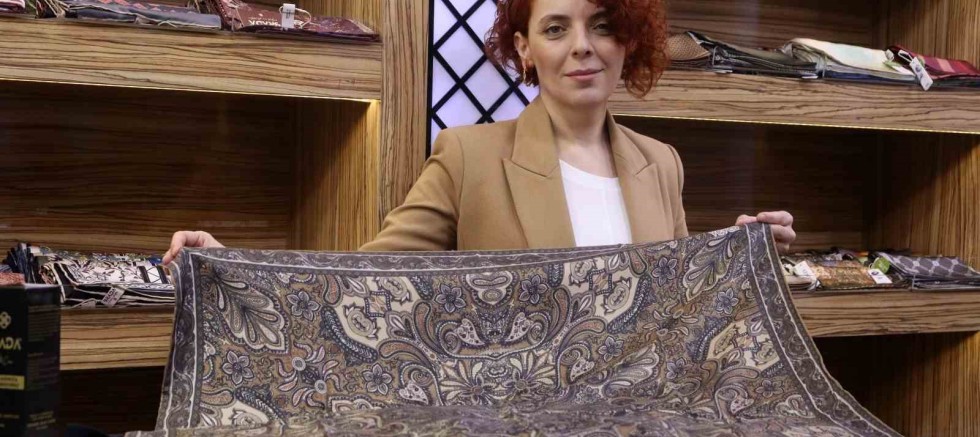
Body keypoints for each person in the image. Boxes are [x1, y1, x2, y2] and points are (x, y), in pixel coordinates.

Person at [162, 0, 795, 265]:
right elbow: (363, 277)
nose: (583, 47)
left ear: (628, 40)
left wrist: (734, 254)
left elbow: (679, 305)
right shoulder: (469, 155)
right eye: (555, 29)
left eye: (602, 26)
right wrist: (231, 264)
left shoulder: (661, 162)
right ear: (524, 49)